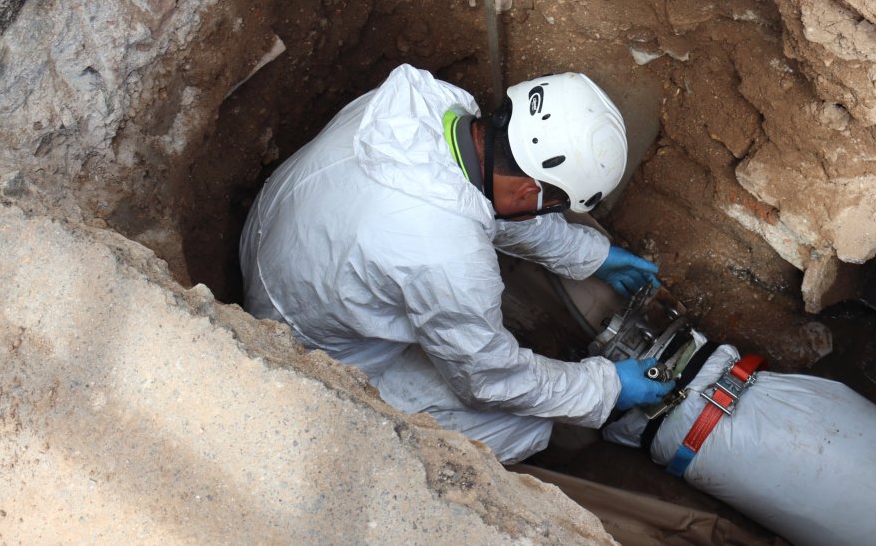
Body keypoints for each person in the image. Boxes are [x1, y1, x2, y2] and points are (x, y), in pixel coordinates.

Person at [240, 63, 673, 462]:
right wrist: (607, 387)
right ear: (529, 192)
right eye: (553, 206)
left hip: (279, 247)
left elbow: (476, 199)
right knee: (524, 424)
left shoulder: (429, 102)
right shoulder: (447, 254)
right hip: (300, 351)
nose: (549, 215)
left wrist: (590, 255)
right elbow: (490, 379)